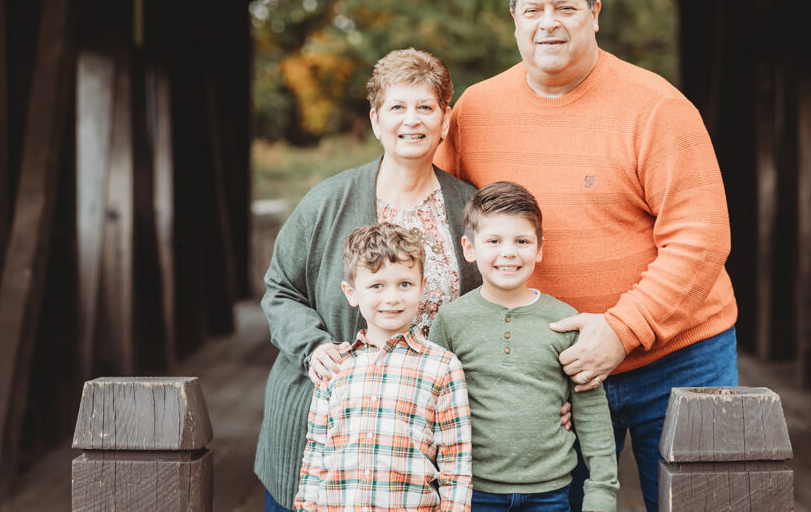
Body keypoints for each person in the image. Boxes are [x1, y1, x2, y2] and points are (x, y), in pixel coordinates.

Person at [434, 0, 738, 512]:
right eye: (533, 10)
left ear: (595, 13)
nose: (548, 24)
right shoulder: (474, 111)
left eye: (565, 8)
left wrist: (620, 331)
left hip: (676, 357)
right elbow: (438, 220)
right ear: (514, 20)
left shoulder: (657, 108)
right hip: (544, 371)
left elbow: (701, 239)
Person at [256, 48, 481, 512]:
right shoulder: (327, 203)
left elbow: (497, 309)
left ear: (445, 119)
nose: (412, 120)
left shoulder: (470, 210)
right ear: (377, 120)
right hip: (323, 449)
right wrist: (312, 347)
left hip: (415, 458)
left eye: (425, 107)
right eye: (398, 107)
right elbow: (280, 290)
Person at [428, 182, 618, 512]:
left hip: (551, 491)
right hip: (474, 490)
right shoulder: (451, 320)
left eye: (522, 241)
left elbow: (590, 410)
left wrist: (602, 489)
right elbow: (429, 402)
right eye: (493, 241)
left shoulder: (563, 320)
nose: (509, 252)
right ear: (469, 248)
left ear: (539, 248)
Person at [294, 223, 472, 511]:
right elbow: (315, 454)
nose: (392, 298)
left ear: (422, 287)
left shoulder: (443, 367)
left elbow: (456, 465)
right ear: (351, 293)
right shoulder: (335, 366)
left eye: (405, 284)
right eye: (377, 286)